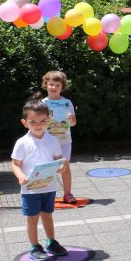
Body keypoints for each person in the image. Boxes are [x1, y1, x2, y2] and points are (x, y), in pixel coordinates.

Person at [11, 94, 68, 261]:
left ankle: (51, 242)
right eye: (33, 122)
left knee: (48, 216)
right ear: (25, 122)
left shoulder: (52, 140)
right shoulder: (22, 142)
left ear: (49, 121)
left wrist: (62, 167)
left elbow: (59, 160)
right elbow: (15, 164)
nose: (38, 125)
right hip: (30, 189)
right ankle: (35, 246)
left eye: (43, 121)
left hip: (49, 187)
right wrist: (20, 175)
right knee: (33, 218)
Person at [41, 71, 77, 204]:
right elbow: (37, 125)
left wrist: (72, 119)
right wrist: (45, 121)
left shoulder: (67, 103)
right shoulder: (42, 104)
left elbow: (73, 123)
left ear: (62, 87)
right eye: (51, 84)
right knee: (47, 168)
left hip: (64, 140)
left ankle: (68, 194)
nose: (54, 87)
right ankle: (45, 195)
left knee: (65, 167)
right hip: (47, 142)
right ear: (46, 85)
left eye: (57, 85)